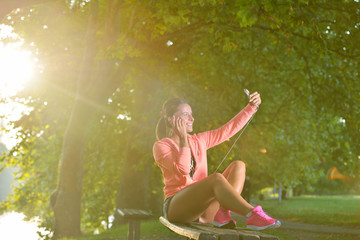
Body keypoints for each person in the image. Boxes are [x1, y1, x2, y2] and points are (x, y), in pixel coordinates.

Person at [153, 91, 280, 230]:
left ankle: (222, 212)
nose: (192, 118)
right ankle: (252, 214)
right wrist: (183, 139)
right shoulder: (162, 146)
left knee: (239, 165)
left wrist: (252, 107)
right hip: (177, 208)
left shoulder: (198, 140)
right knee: (215, 179)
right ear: (171, 119)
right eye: (185, 114)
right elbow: (183, 169)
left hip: (204, 208)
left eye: (191, 114)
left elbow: (227, 130)